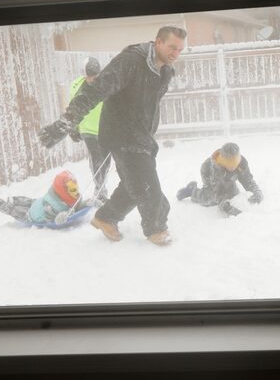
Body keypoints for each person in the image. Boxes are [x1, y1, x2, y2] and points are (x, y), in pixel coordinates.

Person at [39, 26, 187, 246]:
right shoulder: (130, 62)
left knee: (132, 183)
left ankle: (106, 218)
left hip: (142, 136)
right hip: (121, 134)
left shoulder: (165, 71)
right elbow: (94, 91)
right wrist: (66, 122)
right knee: (147, 185)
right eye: (172, 47)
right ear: (157, 42)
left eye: (180, 49)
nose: (176, 53)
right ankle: (156, 228)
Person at [175, 142, 263, 217]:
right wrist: (225, 207)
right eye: (229, 164)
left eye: (235, 163)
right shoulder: (216, 168)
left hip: (228, 178)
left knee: (233, 194)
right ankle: (191, 191)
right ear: (224, 161)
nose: (233, 167)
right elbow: (216, 192)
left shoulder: (241, 163)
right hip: (208, 174)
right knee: (210, 200)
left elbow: (248, 180)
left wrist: (257, 192)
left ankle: (226, 191)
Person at [68, 57, 112, 204]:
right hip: (88, 129)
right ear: (84, 75)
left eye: (96, 76)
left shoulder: (107, 85)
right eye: (90, 76)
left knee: (105, 162)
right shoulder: (76, 87)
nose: (93, 79)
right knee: (96, 160)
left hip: (105, 128)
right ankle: (100, 191)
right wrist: (73, 127)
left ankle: (101, 188)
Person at [0, 170, 83, 224]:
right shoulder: (54, 208)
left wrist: (86, 203)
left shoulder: (55, 193)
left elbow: (76, 205)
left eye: (76, 188)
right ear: (63, 190)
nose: (77, 192)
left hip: (40, 203)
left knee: (31, 202)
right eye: (73, 190)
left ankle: (14, 200)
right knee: (16, 212)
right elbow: (52, 220)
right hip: (33, 216)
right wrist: (59, 218)